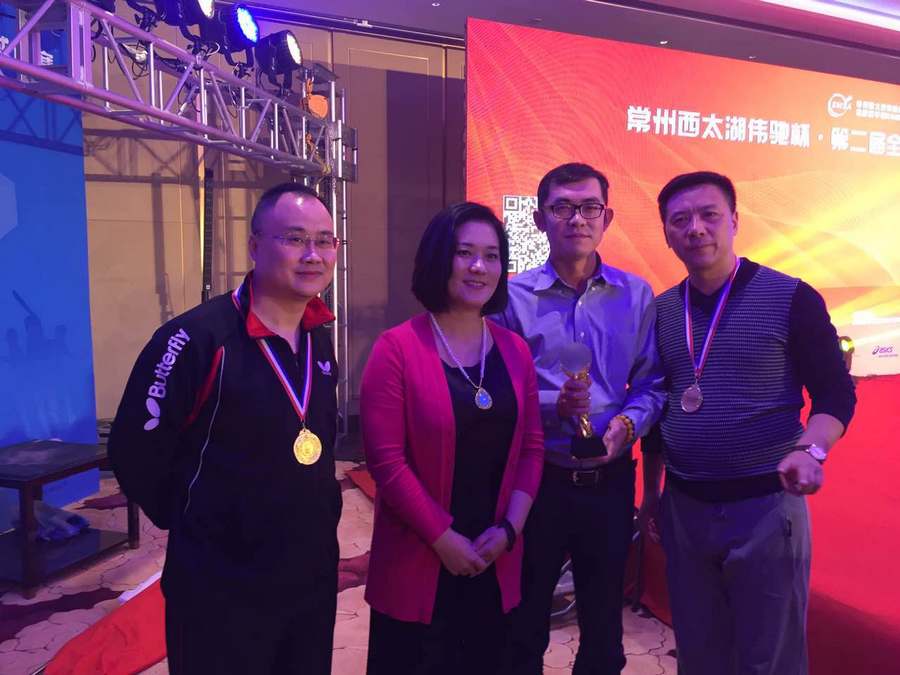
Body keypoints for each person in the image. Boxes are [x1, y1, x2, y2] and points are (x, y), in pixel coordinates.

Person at [108, 183, 342, 675]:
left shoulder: (318, 338)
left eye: (324, 241)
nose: (313, 254)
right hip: (220, 588)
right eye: (295, 238)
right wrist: (200, 524)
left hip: (309, 580)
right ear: (254, 245)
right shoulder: (195, 338)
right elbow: (134, 450)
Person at [639, 171, 857, 675]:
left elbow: (835, 391)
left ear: (734, 221)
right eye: (680, 220)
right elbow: (658, 408)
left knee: (770, 659)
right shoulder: (663, 311)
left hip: (766, 508)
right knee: (699, 654)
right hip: (685, 508)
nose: (696, 228)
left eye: (709, 215)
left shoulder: (791, 297)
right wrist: (651, 494)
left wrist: (811, 449)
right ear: (667, 233)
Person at [360, 202, 545, 675]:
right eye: (464, 253)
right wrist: (443, 538)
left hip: (494, 556)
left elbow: (531, 447)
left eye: (491, 255)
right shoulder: (396, 348)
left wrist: (510, 531)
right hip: (418, 561)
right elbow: (386, 462)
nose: (479, 266)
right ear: (438, 258)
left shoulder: (514, 350)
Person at [495, 163, 665, 675]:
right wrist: (554, 405)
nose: (577, 219)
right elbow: (495, 391)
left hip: (609, 482)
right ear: (539, 219)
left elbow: (653, 384)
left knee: (604, 627)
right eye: (562, 208)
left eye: (589, 207)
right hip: (536, 482)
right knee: (523, 623)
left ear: (606, 218)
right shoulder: (511, 298)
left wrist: (626, 426)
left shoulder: (636, 295)